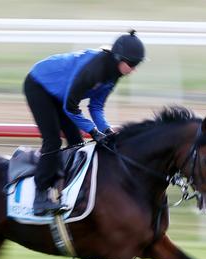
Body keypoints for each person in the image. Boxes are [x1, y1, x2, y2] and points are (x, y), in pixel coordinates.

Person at [23, 30, 145, 216]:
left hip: (59, 93)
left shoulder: (114, 74)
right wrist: (93, 131)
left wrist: (107, 131)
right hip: (38, 85)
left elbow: (96, 106)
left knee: (77, 142)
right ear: (119, 58)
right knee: (53, 141)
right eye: (132, 64)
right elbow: (70, 107)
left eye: (137, 65)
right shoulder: (94, 70)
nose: (133, 69)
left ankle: (66, 187)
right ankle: (40, 196)